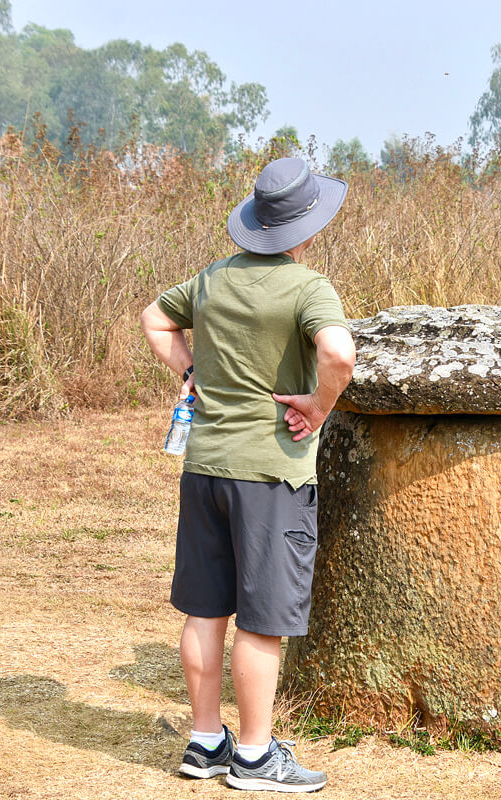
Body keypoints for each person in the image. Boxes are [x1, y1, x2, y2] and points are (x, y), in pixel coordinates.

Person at [140, 157, 356, 789]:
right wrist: (317, 406)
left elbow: (155, 318)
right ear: (310, 227)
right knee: (262, 620)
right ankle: (257, 757)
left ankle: (205, 743)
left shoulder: (211, 279)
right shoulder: (309, 289)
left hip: (205, 467)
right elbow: (339, 353)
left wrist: (192, 372)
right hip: (271, 477)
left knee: (205, 610)